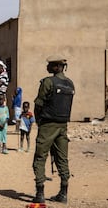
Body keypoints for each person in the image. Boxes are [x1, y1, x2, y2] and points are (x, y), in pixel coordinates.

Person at [32, 55, 75, 204]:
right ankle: (63, 193)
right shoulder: (70, 84)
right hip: (63, 126)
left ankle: (40, 193)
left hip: (48, 124)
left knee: (40, 157)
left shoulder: (48, 82)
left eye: (50, 65)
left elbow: (39, 104)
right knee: (62, 158)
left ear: (57, 67)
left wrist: (38, 121)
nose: (47, 67)